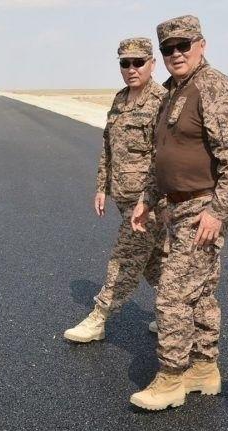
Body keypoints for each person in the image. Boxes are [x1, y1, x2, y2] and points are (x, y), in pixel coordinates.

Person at [127, 15, 228, 411]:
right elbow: (161, 155)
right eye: (168, 48)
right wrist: (147, 199)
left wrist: (218, 211)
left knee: (171, 293)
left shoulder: (214, 87)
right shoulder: (173, 90)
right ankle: (203, 367)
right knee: (198, 293)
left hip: (203, 207)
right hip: (175, 206)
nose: (176, 54)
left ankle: (170, 377)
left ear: (202, 45)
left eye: (184, 45)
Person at [64, 38, 166, 343]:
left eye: (138, 62)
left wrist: (148, 200)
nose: (132, 69)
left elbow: (164, 157)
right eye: (125, 63)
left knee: (124, 258)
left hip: (148, 202)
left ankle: (98, 318)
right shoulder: (120, 99)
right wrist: (101, 186)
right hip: (123, 196)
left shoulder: (162, 101)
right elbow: (109, 147)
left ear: (152, 64)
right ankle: (177, 316)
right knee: (154, 261)